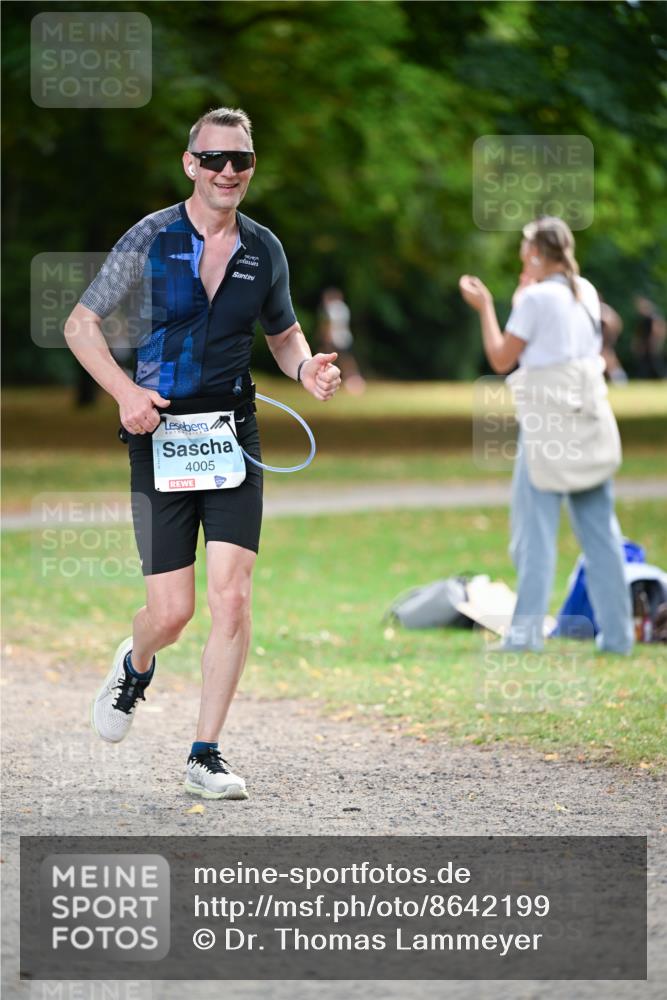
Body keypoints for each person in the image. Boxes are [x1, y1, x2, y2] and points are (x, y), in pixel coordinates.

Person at [64, 107, 341, 800]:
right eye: (213, 159)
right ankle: (136, 662)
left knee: (233, 596)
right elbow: (80, 324)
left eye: (240, 160)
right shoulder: (150, 237)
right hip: (157, 434)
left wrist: (305, 370)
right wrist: (126, 393)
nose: (227, 172)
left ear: (252, 166)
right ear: (190, 164)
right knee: (172, 614)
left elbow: (283, 335)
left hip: (231, 435)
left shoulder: (263, 249)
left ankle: (204, 754)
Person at [459, 216, 633, 654]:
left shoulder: (536, 298)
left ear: (536, 253)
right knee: (601, 535)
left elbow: (501, 359)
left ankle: (525, 636)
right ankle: (618, 637)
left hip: (547, 428)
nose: (521, 256)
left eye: (524, 250)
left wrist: (485, 309)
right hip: (588, 421)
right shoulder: (585, 291)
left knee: (533, 535)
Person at [318, 287, 366, 394]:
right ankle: (354, 380)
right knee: (347, 360)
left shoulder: (330, 309)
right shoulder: (344, 308)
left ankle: (324, 381)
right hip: (345, 337)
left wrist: (326, 339)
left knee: (328, 361)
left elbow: (327, 325)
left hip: (334, 339)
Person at [632, 296, 666, 379]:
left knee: (655, 362)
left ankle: (664, 376)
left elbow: (658, 330)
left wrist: (655, 342)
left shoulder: (653, 317)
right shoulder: (644, 319)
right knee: (646, 363)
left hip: (651, 345)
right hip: (646, 345)